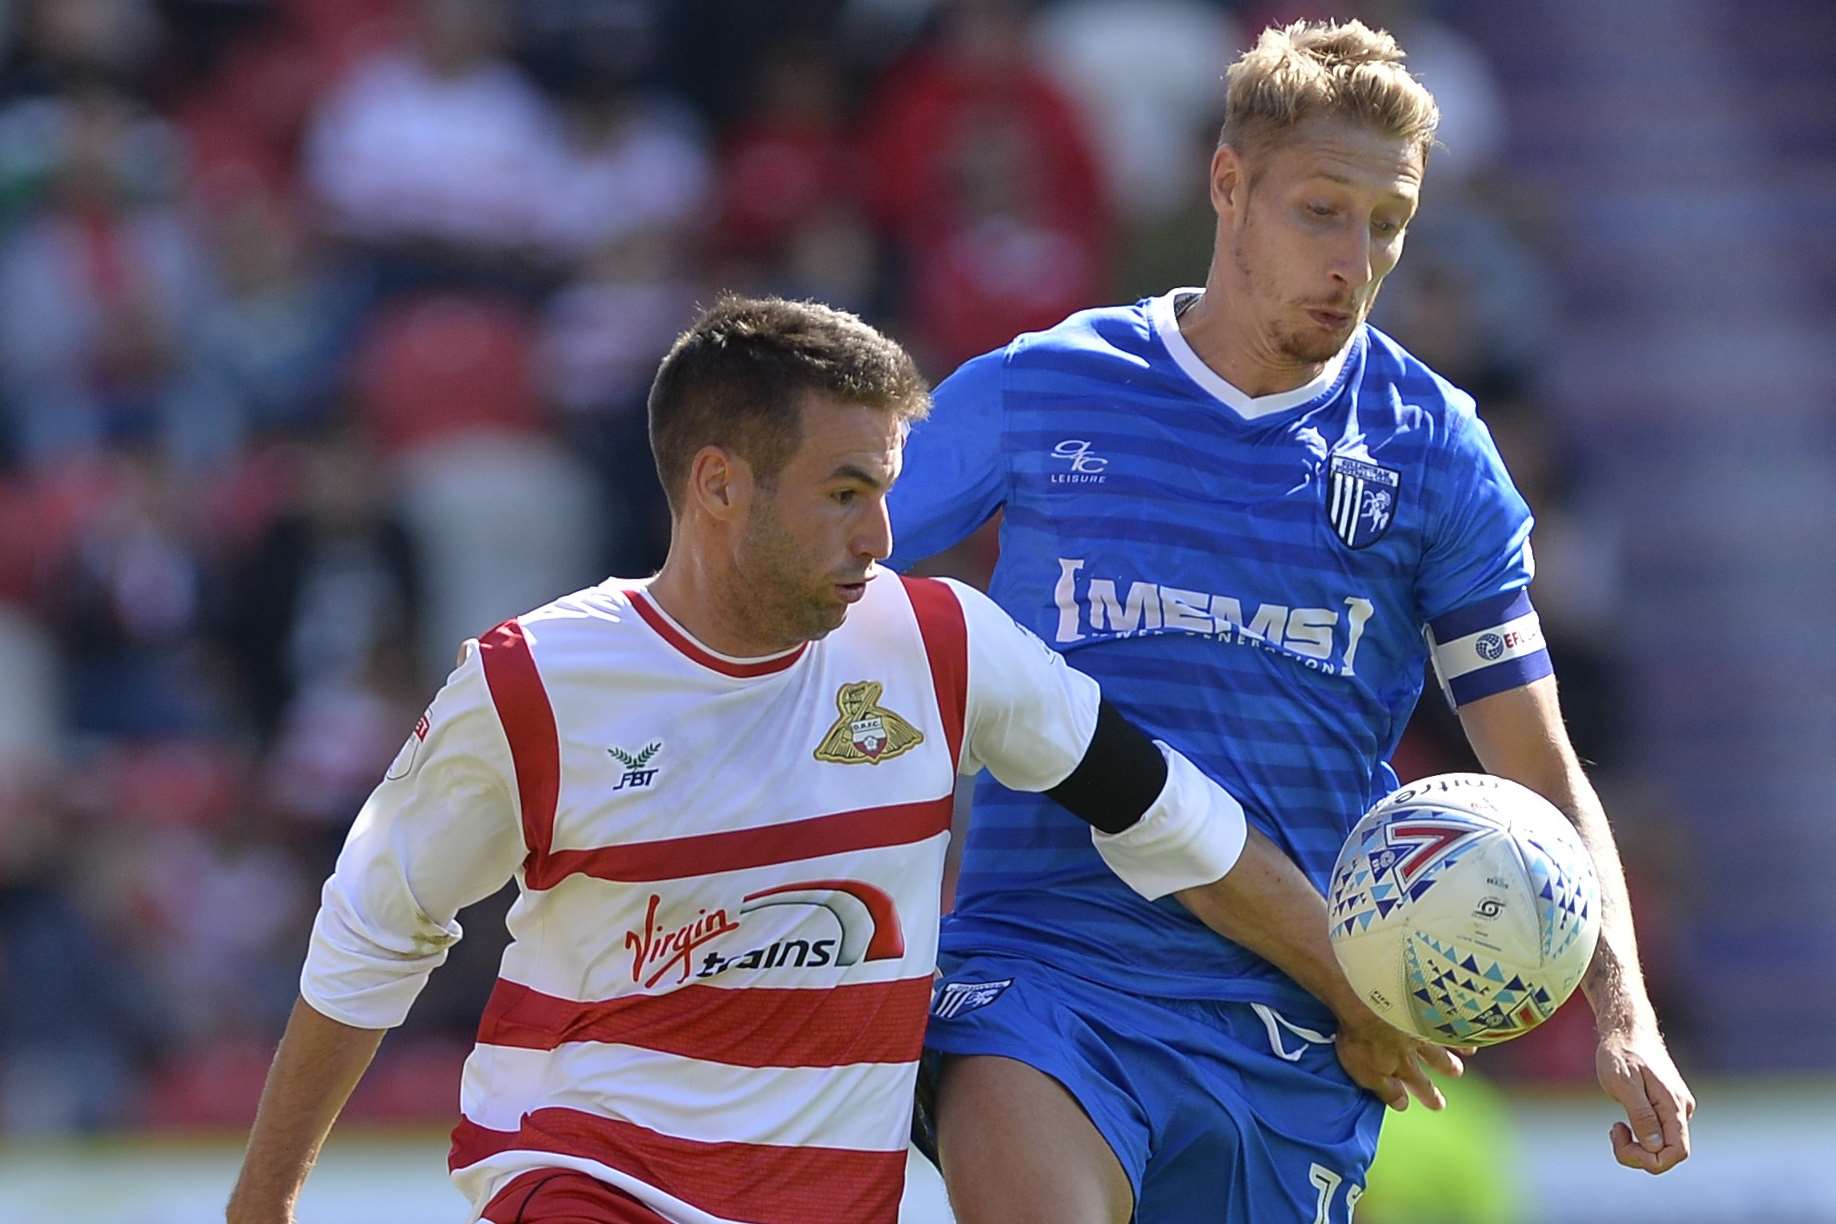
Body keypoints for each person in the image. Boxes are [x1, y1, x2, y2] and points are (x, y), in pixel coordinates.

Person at [224, 295, 1441, 1224]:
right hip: (585, 1171)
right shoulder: (535, 683)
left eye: (888, 491)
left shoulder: (938, 647)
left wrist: (1349, 987)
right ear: (718, 487)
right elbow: (371, 931)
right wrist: (263, 1205)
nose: (884, 535)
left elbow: (1175, 820)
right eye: (845, 493)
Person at [887, 19, 1696, 1224]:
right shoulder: (1043, 383)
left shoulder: (1435, 453)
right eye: (1322, 211)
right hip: (1047, 973)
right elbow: (824, 564)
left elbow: (1539, 768)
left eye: (1389, 223)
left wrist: (1624, 1014)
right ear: (1229, 185)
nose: (1357, 259)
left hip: (1306, 1017)